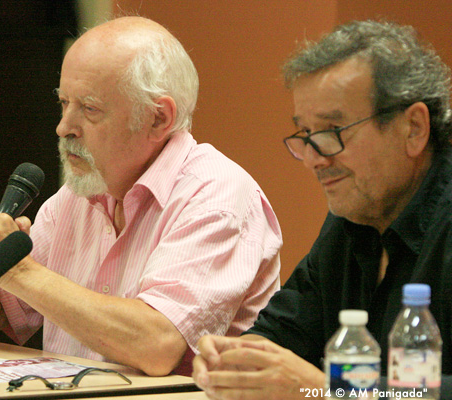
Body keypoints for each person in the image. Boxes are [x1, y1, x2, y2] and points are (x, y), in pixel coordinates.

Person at [0, 16, 282, 377]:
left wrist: (16, 269)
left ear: (158, 118)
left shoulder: (215, 195)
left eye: (89, 109)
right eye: (63, 103)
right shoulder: (75, 197)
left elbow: (157, 346)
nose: (63, 127)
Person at [193, 19, 452, 399]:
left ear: (413, 128)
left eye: (332, 131)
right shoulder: (350, 220)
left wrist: (327, 390)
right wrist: (233, 360)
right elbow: (282, 335)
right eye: (306, 134)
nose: (314, 159)